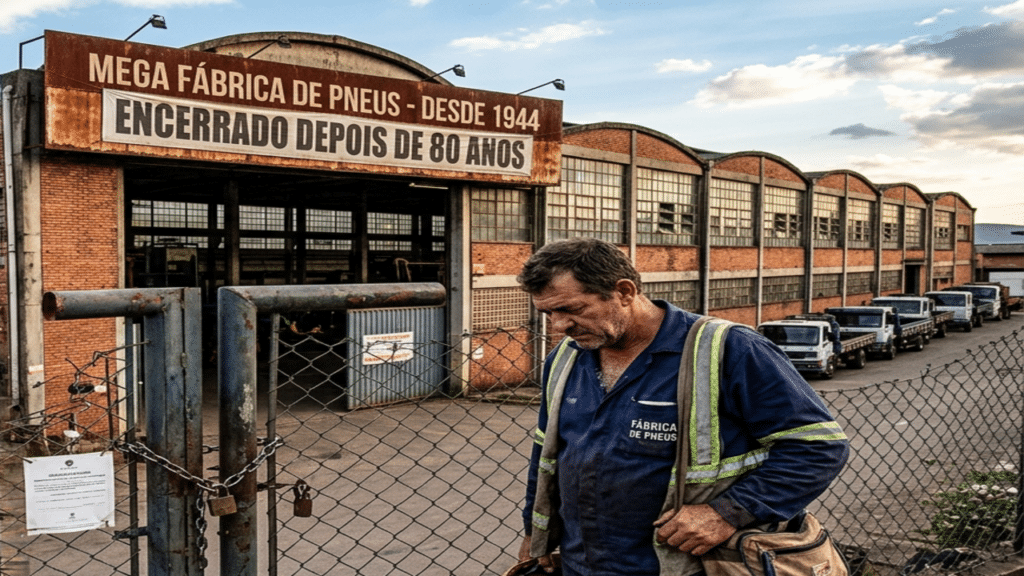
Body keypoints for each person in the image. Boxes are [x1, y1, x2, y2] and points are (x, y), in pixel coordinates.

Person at [515, 237, 849, 576]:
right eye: (548, 313)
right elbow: (546, 455)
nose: (558, 327)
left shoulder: (730, 350)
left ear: (625, 292)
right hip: (583, 565)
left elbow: (819, 447)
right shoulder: (565, 359)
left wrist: (727, 512)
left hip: (688, 566)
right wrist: (535, 532)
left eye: (571, 309)